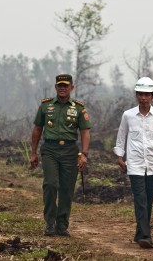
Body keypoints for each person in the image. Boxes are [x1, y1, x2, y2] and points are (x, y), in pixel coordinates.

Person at [113, 77, 153, 249]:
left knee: (148, 198)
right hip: (134, 163)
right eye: (140, 94)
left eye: (147, 95)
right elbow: (121, 136)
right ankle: (146, 237)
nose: (143, 98)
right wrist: (120, 156)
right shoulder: (128, 115)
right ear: (136, 95)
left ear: (152, 96)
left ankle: (140, 232)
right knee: (140, 198)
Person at [30, 74, 91, 237]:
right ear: (56, 87)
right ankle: (50, 223)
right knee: (50, 184)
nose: (62, 88)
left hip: (70, 151)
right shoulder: (45, 106)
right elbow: (37, 130)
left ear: (72, 87)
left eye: (66, 85)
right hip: (50, 149)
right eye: (60, 85)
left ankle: (62, 225)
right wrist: (33, 153)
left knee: (66, 189)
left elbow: (85, 132)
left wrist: (84, 154)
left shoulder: (78, 108)